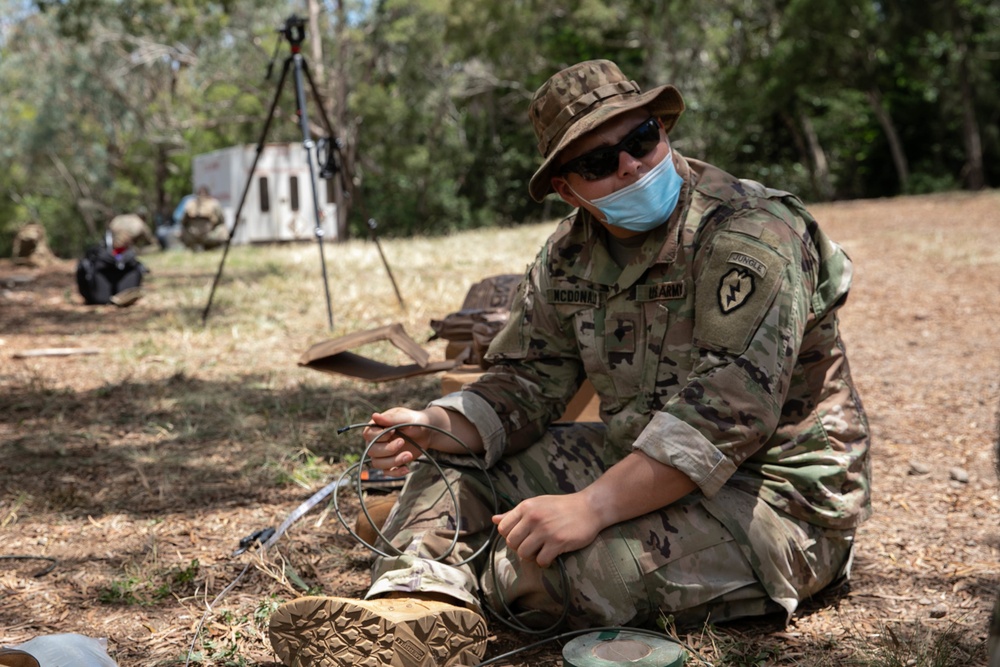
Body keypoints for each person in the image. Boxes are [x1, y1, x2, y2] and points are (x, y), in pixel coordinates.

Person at [268, 59, 872, 667]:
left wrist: (591, 507)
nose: (632, 165)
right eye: (598, 162)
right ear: (567, 187)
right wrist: (441, 423)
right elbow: (528, 377)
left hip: (777, 496)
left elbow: (725, 417)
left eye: (641, 139)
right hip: (637, 462)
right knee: (450, 466)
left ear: (663, 130)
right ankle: (410, 608)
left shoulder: (750, 233)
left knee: (574, 568)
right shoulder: (567, 255)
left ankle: (448, 590)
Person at [179, 186, 227, 250]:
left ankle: (196, 246)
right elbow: (222, 220)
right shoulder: (214, 203)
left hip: (192, 236)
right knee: (223, 228)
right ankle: (212, 246)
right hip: (208, 235)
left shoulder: (189, 204)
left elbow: (183, 221)